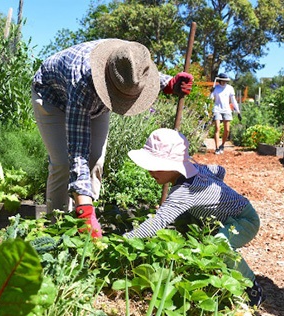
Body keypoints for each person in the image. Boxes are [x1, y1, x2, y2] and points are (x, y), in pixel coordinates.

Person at [31, 39, 194, 238]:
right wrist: (85, 210)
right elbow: (78, 149)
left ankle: (86, 229)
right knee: (63, 164)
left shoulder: (131, 58)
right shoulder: (82, 80)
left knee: (96, 163)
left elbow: (138, 74)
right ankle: (55, 230)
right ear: (107, 84)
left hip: (95, 101)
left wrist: (168, 83)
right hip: (53, 98)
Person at [124, 128, 264, 307]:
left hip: (244, 220)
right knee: (186, 222)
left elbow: (158, 222)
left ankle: (252, 287)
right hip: (227, 217)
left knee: (219, 244)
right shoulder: (196, 170)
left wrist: (125, 239)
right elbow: (219, 170)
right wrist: (215, 192)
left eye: (156, 166)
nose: (150, 171)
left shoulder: (185, 192)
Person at [210, 73, 241, 155]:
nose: (224, 82)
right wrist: (211, 92)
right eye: (223, 81)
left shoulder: (230, 88)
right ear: (219, 80)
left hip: (227, 110)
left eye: (226, 81)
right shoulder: (216, 88)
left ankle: (222, 145)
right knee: (217, 128)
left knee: (227, 130)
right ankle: (217, 148)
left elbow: (233, 100)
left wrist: (238, 111)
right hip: (217, 109)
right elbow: (211, 99)